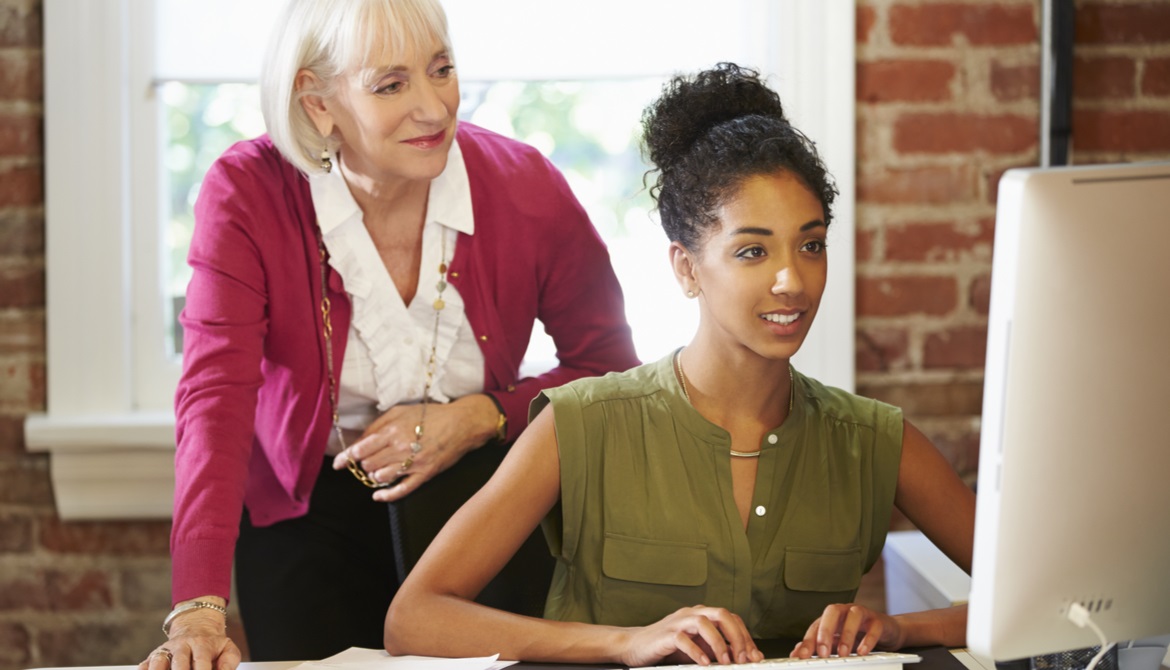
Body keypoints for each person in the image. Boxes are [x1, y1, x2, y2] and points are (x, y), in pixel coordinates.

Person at [384, 63, 977, 667]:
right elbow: (416, 618)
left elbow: (1054, 601)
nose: (791, 280)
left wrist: (900, 630)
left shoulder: (874, 440)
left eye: (811, 244)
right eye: (751, 251)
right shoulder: (580, 426)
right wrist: (627, 641)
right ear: (687, 268)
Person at [138, 0, 639, 668]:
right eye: (391, 85)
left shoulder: (528, 187)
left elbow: (610, 372)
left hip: (481, 500)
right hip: (306, 509)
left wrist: (481, 415)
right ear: (318, 105)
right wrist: (197, 610)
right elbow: (215, 397)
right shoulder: (247, 192)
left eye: (442, 70)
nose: (434, 108)